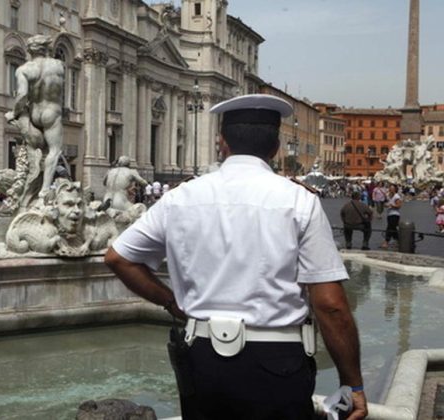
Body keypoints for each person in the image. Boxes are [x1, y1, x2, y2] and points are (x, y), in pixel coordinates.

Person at [105, 94, 367, 420]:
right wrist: (352, 384)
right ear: (275, 148)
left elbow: (118, 257)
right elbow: (330, 304)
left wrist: (170, 301)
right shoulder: (299, 201)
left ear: (222, 143)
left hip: (201, 360)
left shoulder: (180, 198)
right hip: (278, 361)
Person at [5, 34, 64, 193]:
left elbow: (22, 95)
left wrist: (14, 113)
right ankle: (44, 189)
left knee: (33, 150)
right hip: (52, 112)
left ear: (29, 51)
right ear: (46, 49)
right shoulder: (58, 66)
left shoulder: (23, 69)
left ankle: (30, 186)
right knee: (54, 151)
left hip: (34, 113)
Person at [381, 184, 403, 249]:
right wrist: (386, 205)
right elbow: (386, 203)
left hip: (395, 214)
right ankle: (398, 241)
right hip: (389, 214)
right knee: (393, 228)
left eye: (392, 189)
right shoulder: (388, 196)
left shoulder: (397, 196)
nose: (391, 190)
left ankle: (386, 242)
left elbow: (399, 206)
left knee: (389, 227)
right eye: (390, 188)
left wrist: (391, 205)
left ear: (395, 189)